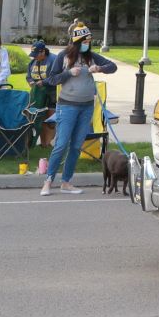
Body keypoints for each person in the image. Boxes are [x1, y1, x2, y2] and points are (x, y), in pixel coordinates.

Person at [40, 23, 116, 196]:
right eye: (85, 41)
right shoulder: (64, 56)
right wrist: (68, 73)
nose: (87, 44)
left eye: (89, 41)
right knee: (61, 144)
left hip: (86, 107)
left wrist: (99, 68)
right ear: (76, 41)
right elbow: (51, 79)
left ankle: (66, 182)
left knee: (75, 146)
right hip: (67, 106)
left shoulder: (92, 57)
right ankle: (48, 180)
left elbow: (113, 67)